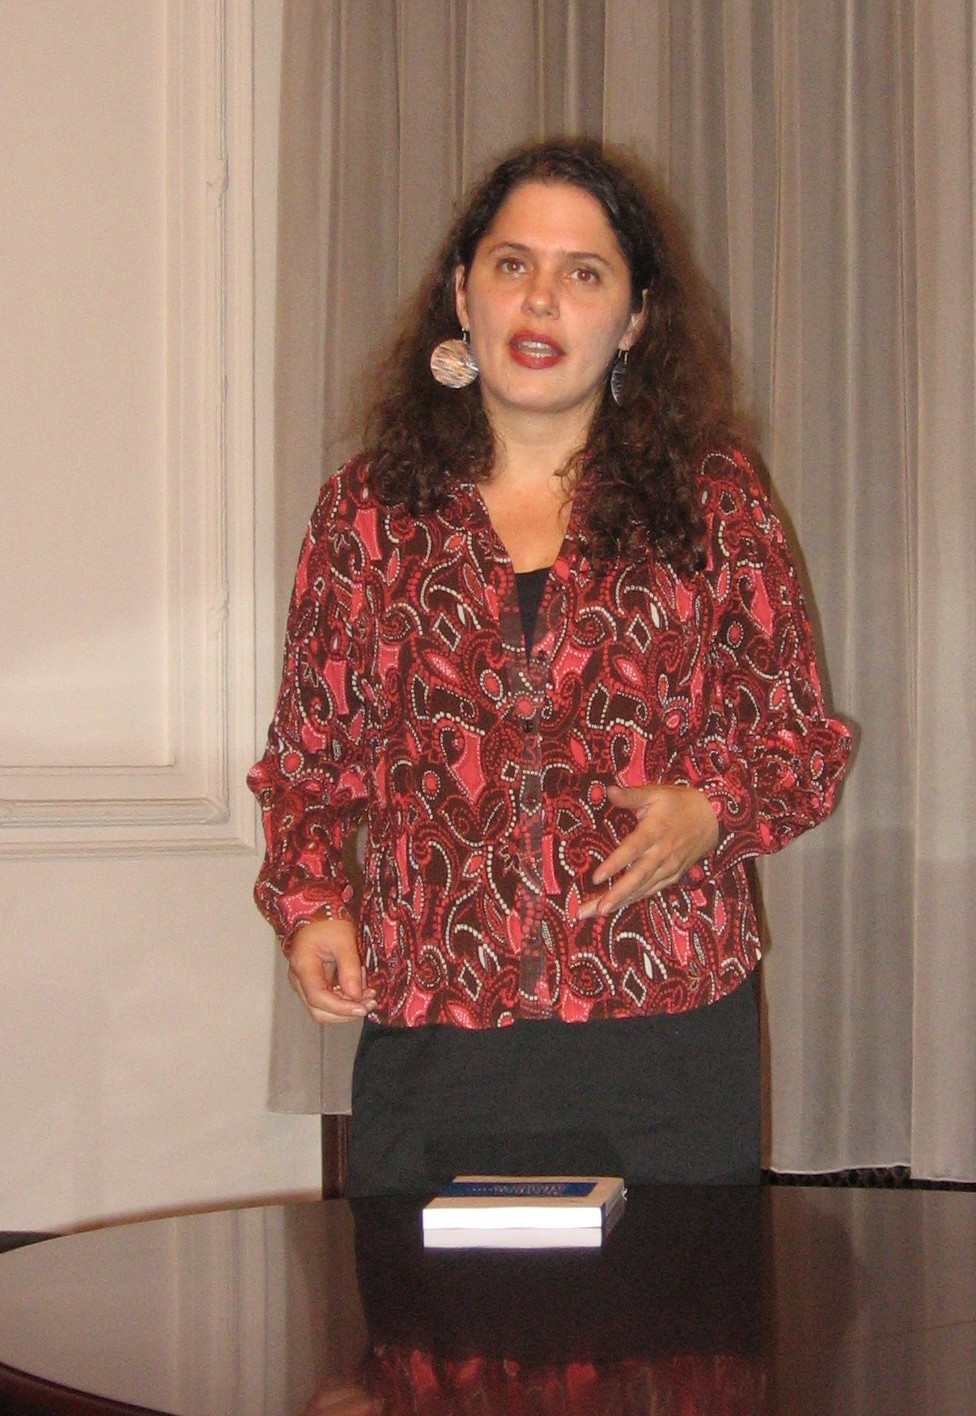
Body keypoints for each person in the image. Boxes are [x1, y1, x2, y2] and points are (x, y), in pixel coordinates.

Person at [248, 137, 851, 1195]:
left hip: (662, 1024)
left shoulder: (713, 499)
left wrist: (712, 811)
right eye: (512, 263)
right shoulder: (369, 513)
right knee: (428, 1302)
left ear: (634, 320)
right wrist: (313, 903)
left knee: (675, 1303)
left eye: (584, 274)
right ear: (461, 294)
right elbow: (307, 757)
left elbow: (797, 740)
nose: (540, 300)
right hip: (436, 1028)